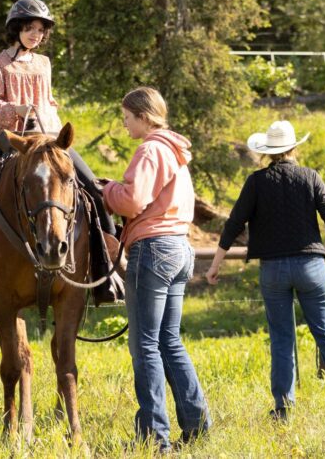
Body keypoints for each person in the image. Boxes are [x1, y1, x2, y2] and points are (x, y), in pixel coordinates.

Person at [0, 0, 117, 288]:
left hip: (48, 138)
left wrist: (49, 117)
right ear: (16, 29)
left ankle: (111, 254)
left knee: (92, 185)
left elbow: (49, 99)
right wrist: (17, 109)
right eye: (29, 28)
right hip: (9, 140)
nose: (35, 35)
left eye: (40, 30)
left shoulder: (44, 63)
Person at [205, 120, 325, 420]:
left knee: (281, 339)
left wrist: (215, 265)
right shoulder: (311, 177)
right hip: (311, 266)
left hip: (273, 269)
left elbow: (233, 224)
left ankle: (283, 408)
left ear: (268, 152)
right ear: (294, 147)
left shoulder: (256, 182)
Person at [100, 87, 211, 451]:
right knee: (169, 341)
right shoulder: (176, 153)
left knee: (145, 345)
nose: (125, 123)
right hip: (180, 247)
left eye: (128, 117)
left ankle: (154, 438)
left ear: (144, 116)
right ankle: (196, 426)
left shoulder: (149, 149)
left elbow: (132, 200)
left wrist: (106, 190)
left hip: (153, 249)